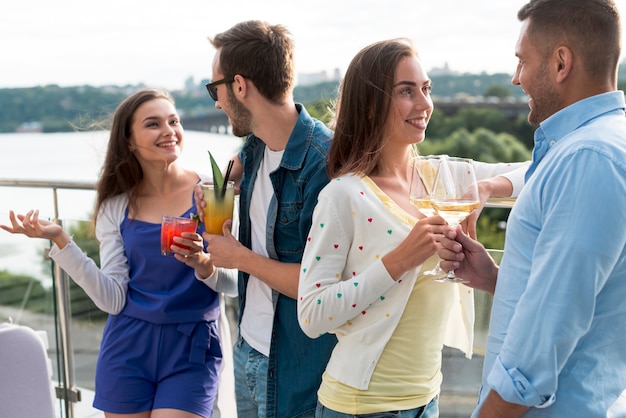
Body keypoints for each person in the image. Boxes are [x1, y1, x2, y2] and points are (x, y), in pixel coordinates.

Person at [296, 38, 529, 418]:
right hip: (360, 408)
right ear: (369, 107)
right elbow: (311, 315)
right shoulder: (344, 197)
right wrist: (399, 260)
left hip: (426, 402)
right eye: (407, 91)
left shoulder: (446, 177)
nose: (425, 104)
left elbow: (546, 171)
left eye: (426, 89)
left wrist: (488, 187)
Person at [437, 1, 626, 416]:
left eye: (522, 60)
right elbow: (581, 297)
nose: (515, 77)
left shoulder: (588, 159)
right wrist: (498, 281)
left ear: (561, 62)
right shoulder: (600, 145)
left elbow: (539, 350)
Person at [1, 88, 237, 418]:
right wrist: (60, 240)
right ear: (128, 141)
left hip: (191, 348)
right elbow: (113, 300)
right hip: (128, 347)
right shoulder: (116, 207)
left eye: (174, 121)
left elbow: (235, 283)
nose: (169, 131)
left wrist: (203, 264)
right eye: (153, 124)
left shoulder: (213, 192)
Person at [198, 20, 337, 418]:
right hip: (248, 351)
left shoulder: (323, 165)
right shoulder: (257, 143)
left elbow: (318, 285)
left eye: (216, 89)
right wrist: (222, 182)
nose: (216, 103)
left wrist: (237, 256)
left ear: (240, 86)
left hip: (297, 367)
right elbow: (246, 149)